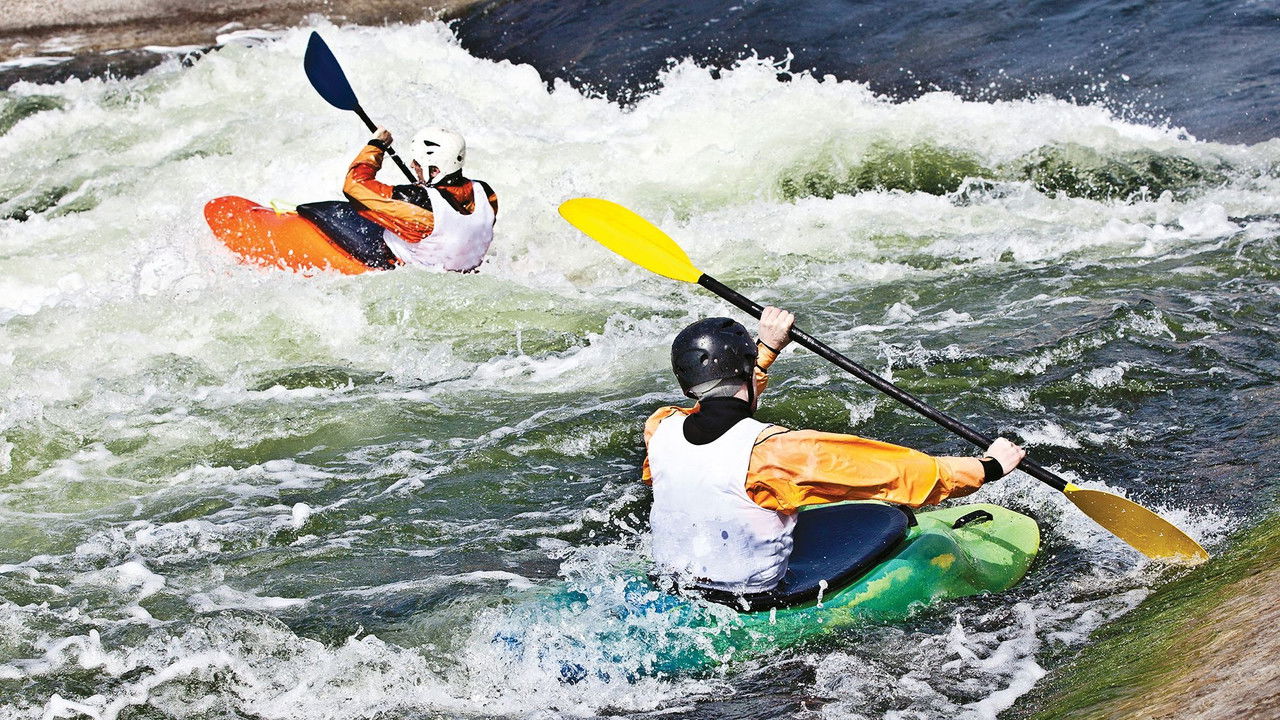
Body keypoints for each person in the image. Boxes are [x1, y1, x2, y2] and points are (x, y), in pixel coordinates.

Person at [642, 307, 1027, 596]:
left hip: (679, 586)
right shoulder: (776, 452)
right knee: (889, 512)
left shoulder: (660, 428)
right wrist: (988, 468)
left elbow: (722, 409)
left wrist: (766, 350)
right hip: (752, 597)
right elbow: (897, 473)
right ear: (744, 370)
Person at [342, 126, 498, 272]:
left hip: (402, 270)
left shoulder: (419, 203)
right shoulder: (484, 193)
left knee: (342, 212)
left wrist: (376, 145)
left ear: (435, 170)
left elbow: (354, 186)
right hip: (463, 274)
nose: (412, 165)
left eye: (417, 162)